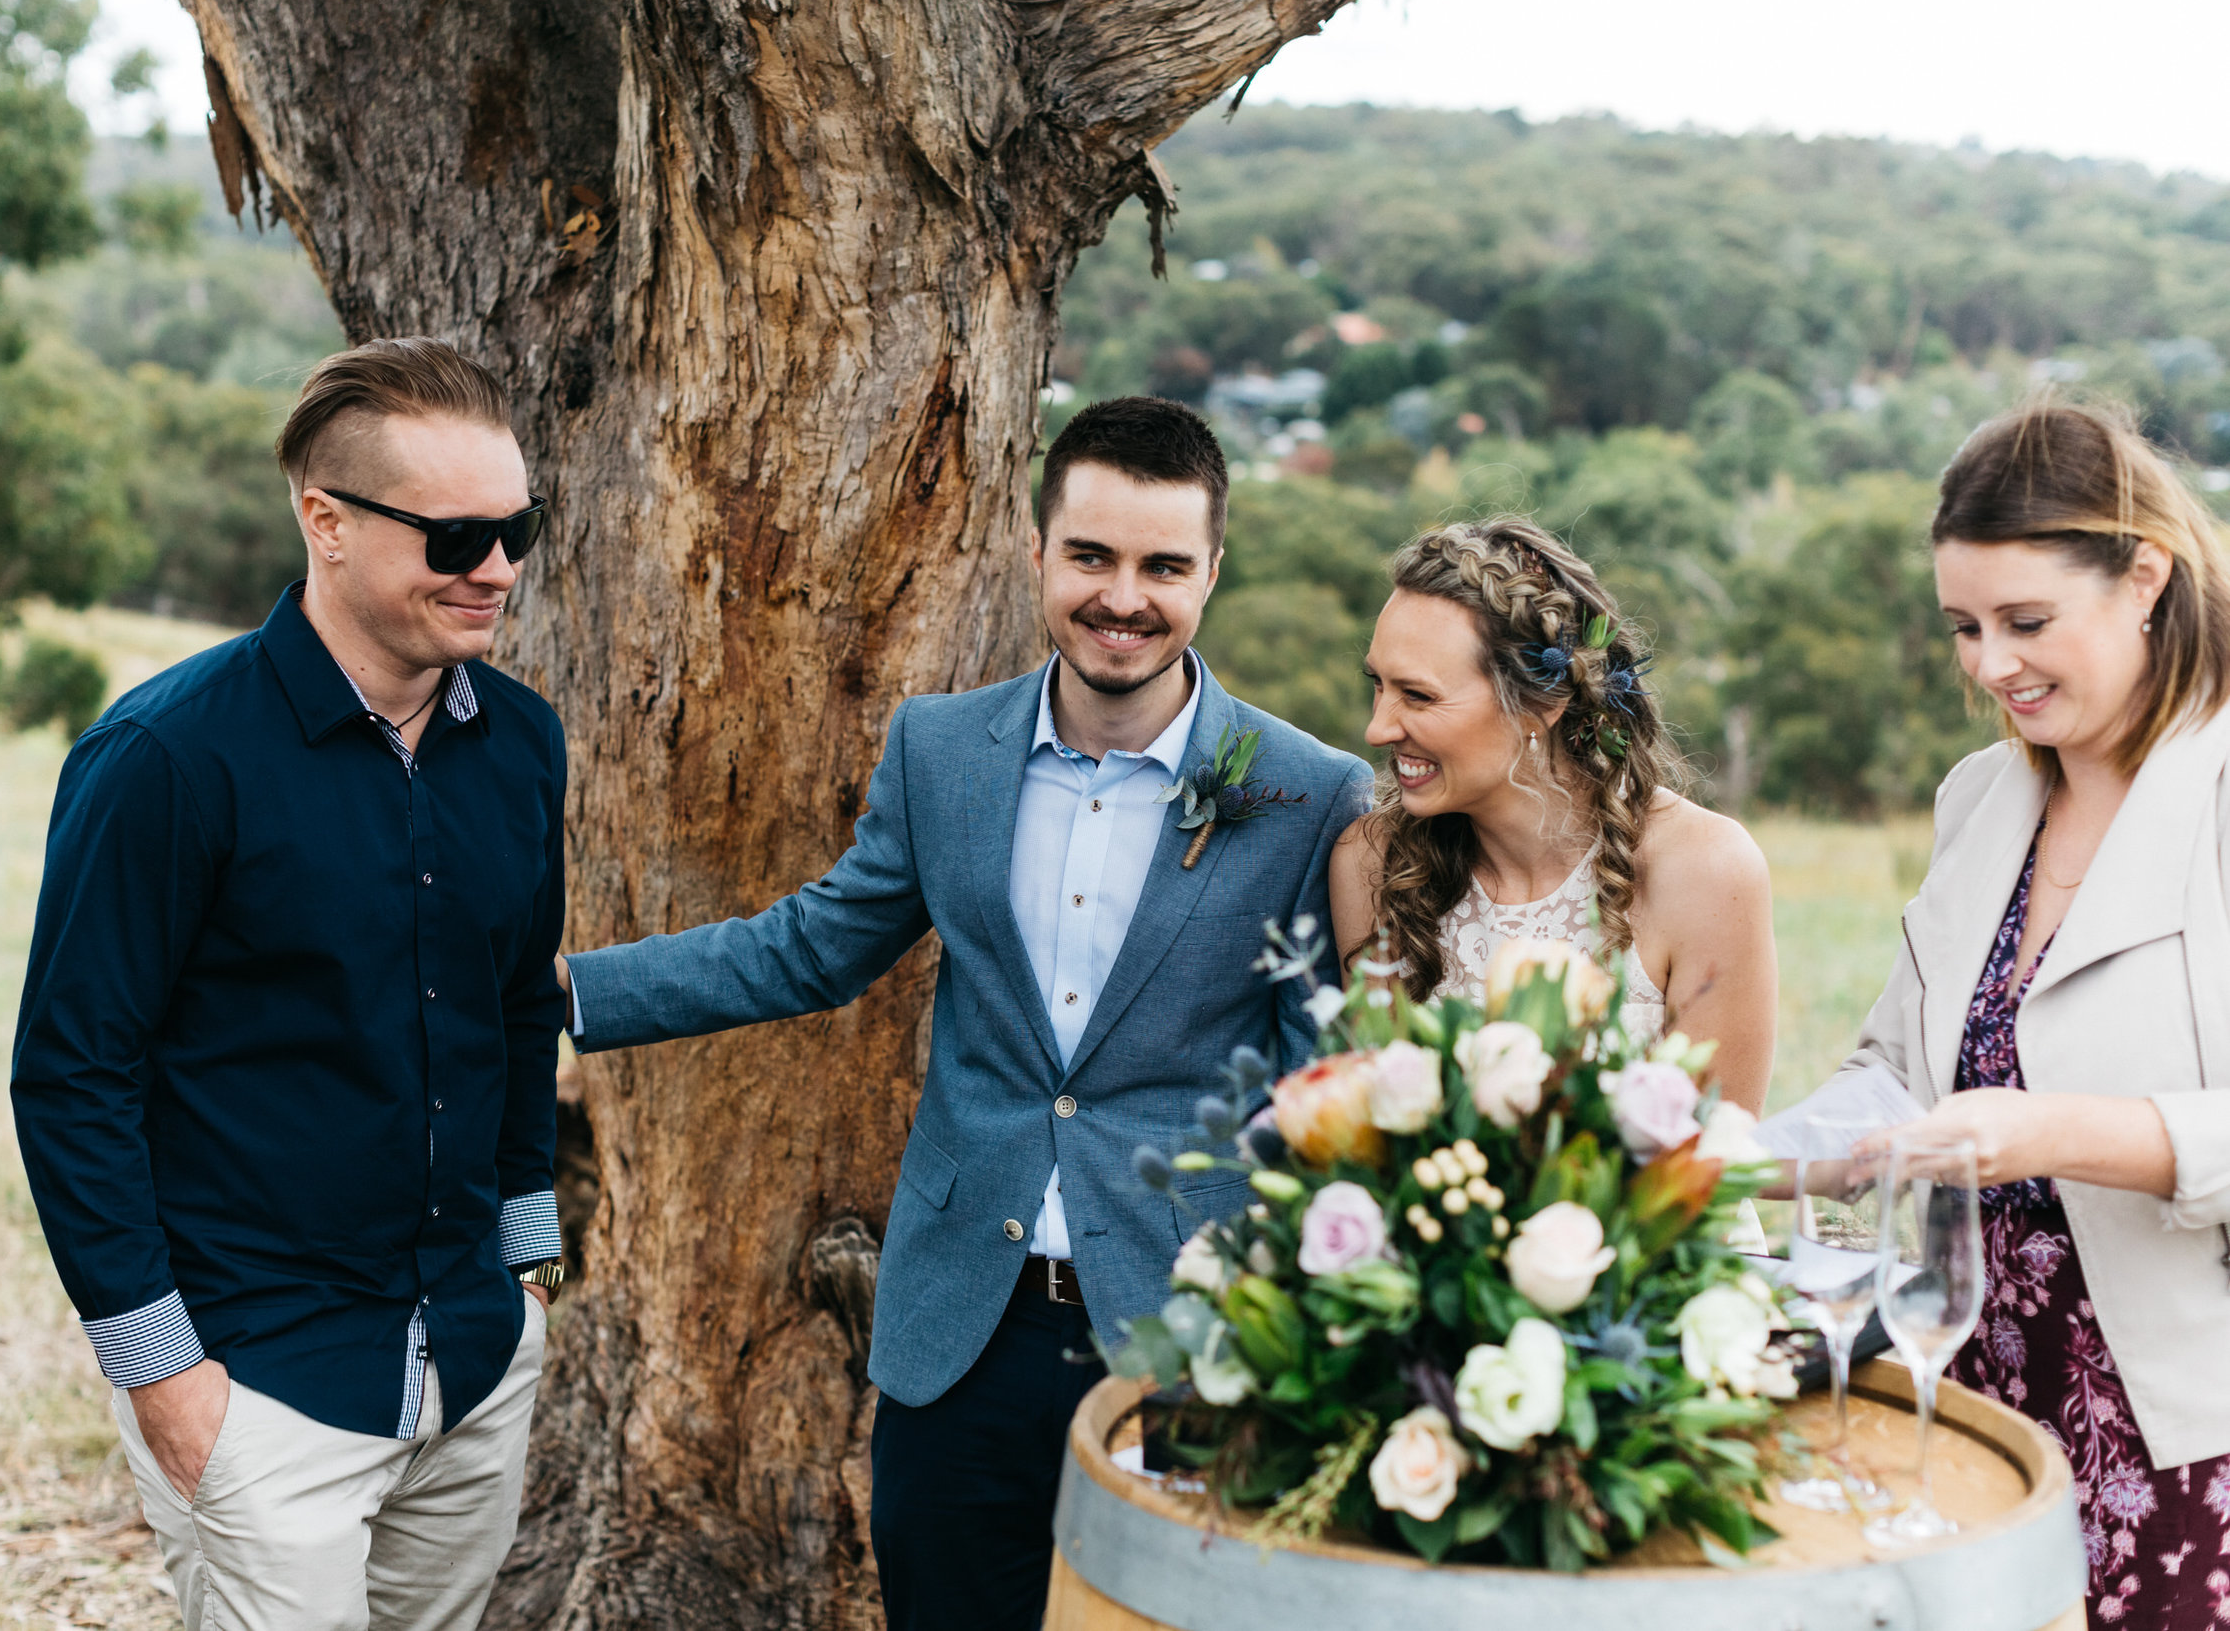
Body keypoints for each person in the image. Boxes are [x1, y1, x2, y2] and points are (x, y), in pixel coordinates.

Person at [559, 397, 1372, 1630]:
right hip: (961, 1328)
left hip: (1191, 1333)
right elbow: (814, 946)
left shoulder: (1307, 793)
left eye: (1163, 565)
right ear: (1037, 549)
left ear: (1213, 570)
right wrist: (568, 994)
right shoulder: (941, 749)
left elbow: (1329, 1081)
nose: (1122, 596)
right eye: (1091, 556)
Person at [10, 338, 572, 1631]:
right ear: (325, 520)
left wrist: (526, 1264)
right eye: (456, 535)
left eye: (517, 527)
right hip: (255, 1381)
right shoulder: (166, 756)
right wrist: (170, 1386)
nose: (495, 566)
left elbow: (516, 1001)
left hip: (477, 1357)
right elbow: (71, 1074)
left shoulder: (525, 742)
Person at [1835, 402, 2230, 1628]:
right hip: (1984, 1428)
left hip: (2184, 1440)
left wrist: (2046, 1129)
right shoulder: (1977, 799)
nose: (1988, 664)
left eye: (2025, 621)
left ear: (2144, 576)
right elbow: (1890, 1075)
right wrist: (1699, 1154)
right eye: (1963, 626)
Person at [1328, 517, 1777, 1107]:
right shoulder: (1370, 862)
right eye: (1377, 685)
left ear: (1543, 702)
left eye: (1418, 696)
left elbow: (1718, 1153)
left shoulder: (1707, 868)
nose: (1377, 727)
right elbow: (1372, 1130)